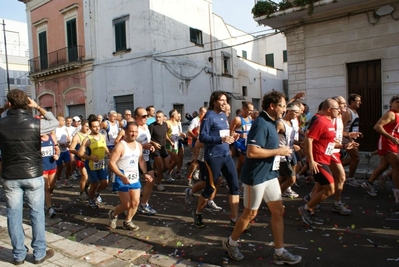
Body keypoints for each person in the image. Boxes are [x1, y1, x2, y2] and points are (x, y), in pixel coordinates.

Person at [222, 91, 301, 265]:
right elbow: (251, 152)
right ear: (272, 106)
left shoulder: (273, 121)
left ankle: (279, 252)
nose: (284, 109)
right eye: (282, 106)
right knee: (250, 213)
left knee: (278, 211)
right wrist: (278, 152)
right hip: (255, 176)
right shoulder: (261, 124)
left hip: (270, 174)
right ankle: (230, 243)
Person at [0, 89, 57, 264]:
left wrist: (3, 109)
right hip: (33, 174)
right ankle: (39, 253)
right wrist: (38, 107)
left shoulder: (2, 123)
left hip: (11, 176)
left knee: (14, 215)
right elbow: (54, 122)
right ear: (27, 103)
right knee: (37, 214)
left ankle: (18, 255)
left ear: (9, 103)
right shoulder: (36, 123)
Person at [298, 99, 356, 226]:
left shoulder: (329, 122)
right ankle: (306, 209)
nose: (340, 110)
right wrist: (311, 160)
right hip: (318, 160)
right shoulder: (321, 121)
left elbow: (329, 143)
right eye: (337, 108)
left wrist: (345, 146)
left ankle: (310, 210)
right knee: (330, 189)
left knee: (322, 187)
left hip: (326, 158)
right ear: (329, 109)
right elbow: (309, 140)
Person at [192, 91, 240, 228]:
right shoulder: (208, 116)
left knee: (234, 186)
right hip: (213, 157)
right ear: (214, 101)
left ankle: (234, 219)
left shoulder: (224, 115)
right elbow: (203, 137)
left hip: (226, 155)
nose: (225, 102)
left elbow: (223, 134)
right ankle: (198, 212)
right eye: (222, 100)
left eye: (226, 100)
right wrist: (221, 139)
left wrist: (232, 136)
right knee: (210, 187)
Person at [108, 122, 153, 230]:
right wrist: (121, 176)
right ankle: (113, 214)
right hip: (121, 177)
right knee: (127, 204)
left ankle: (128, 221)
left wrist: (145, 173)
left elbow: (141, 160)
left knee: (136, 202)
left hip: (134, 177)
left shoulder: (138, 146)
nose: (134, 134)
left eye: (136, 131)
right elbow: (111, 163)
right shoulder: (120, 146)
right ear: (126, 132)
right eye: (131, 131)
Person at [361, 95, 399, 205]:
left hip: (393, 143)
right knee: (397, 166)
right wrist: (391, 137)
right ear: (391, 103)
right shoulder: (391, 114)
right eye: (397, 102)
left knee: (384, 166)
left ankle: (369, 183)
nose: (398, 104)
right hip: (387, 143)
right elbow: (377, 126)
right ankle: (397, 192)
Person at [78, 119, 110, 209]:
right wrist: (91, 158)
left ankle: (96, 193)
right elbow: (80, 153)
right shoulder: (87, 139)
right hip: (91, 164)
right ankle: (91, 199)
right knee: (94, 183)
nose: (97, 128)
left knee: (105, 183)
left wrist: (108, 153)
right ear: (91, 128)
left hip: (101, 163)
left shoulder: (102, 136)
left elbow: (104, 146)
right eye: (94, 126)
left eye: (98, 126)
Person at [133, 107, 157, 214]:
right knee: (134, 186)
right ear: (136, 117)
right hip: (135, 160)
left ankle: (143, 204)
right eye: (143, 116)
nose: (146, 118)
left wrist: (152, 144)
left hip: (145, 158)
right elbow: (129, 144)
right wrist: (143, 146)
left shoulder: (145, 127)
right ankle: (129, 206)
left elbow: (147, 140)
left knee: (151, 180)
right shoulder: (134, 128)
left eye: (146, 116)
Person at [342, 94, 363, 187]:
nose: (360, 102)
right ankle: (350, 178)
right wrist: (350, 139)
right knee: (356, 158)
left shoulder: (354, 112)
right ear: (352, 101)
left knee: (354, 159)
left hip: (351, 138)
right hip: (346, 139)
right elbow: (341, 128)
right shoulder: (348, 112)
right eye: (358, 101)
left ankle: (333, 166)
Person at [149, 110, 172, 191]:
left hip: (163, 148)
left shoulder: (165, 125)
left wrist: (170, 141)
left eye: (159, 117)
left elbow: (165, 135)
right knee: (161, 167)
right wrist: (154, 143)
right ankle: (159, 184)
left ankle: (157, 173)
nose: (158, 119)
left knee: (167, 166)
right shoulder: (152, 126)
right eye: (156, 117)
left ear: (163, 118)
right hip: (156, 149)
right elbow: (148, 138)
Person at [69, 119, 90, 201]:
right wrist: (80, 152)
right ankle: (82, 192)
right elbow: (71, 149)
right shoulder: (77, 136)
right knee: (85, 176)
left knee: (91, 178)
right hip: (80, 159)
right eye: (86, 126)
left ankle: (86, 188)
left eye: (89, 126)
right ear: (82, 126)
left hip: (89, 159)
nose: (88, 128)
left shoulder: (90, 134)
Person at [41, 130, 60, 218]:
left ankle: (47, 199)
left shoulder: (51, 137)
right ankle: (49, 207)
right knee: (47, 187)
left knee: (51, 186)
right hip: (42, 167)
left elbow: (57, 149)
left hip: (52, 166)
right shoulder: (36, 139)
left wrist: (57, 155)